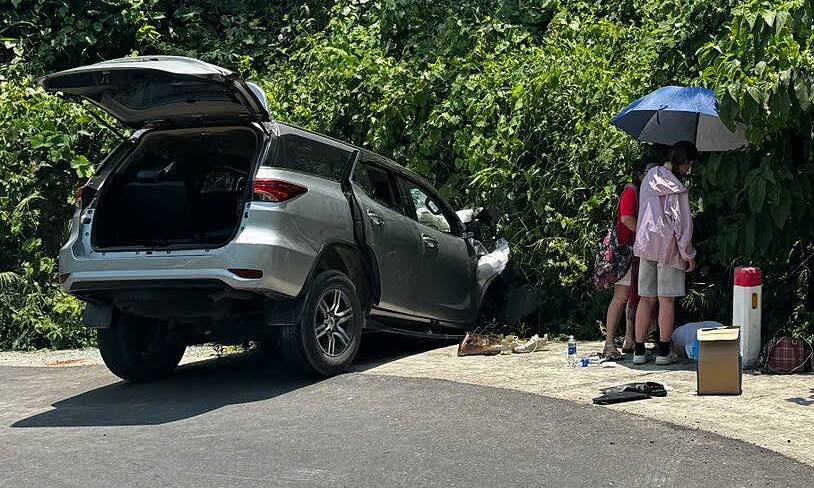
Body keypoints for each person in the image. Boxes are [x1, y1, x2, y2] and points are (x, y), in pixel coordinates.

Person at [632, 141, 698, 365]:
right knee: (666, 300)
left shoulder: (650, 177)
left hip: (645, 242)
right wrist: (688, 254)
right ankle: (663, 352)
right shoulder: (677, 188)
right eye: (690, 165)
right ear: (684, 163)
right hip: (668, 247)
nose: (689, 170)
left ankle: (639, 351)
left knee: (645, 298)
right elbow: (682, 224)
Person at [602, 165, 642, 360]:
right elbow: (626, 218)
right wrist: (644, 234)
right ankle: (609, 343)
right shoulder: (631, 191)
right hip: (625, 251)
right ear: (641, 174)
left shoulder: (642, 192)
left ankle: (629, 339)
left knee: (633, 296)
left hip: (635, 250)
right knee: (621, 296)